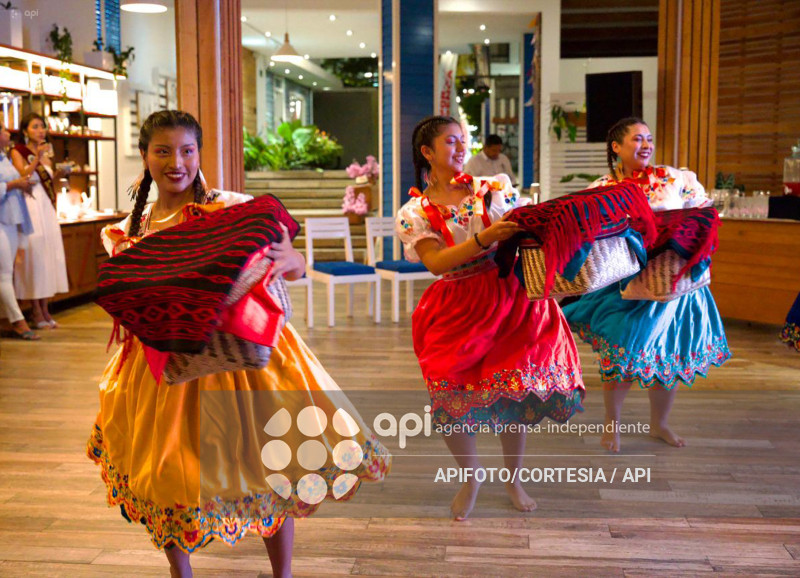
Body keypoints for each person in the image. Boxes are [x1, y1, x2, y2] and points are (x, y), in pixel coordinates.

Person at [87, 111, 390, 578]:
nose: (176, 162)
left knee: (269, 468)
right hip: (164, 370)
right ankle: (181, 572)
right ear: (145, 157)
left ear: (199, 154)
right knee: (170, 476)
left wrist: (293, 258)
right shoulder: (130, 230)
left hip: (245, 359)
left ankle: (282, 574)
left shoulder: (230, 206)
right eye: (163, 151)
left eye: (187, 150)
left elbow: (290, 262)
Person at [396, 116, 584, 520]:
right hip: (456, 305)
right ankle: (472, 474)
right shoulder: (413, 211)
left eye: (464, 141)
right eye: (450, 141)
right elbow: (435, 262)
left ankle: (513, 478)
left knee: (512, 394)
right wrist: (485, 237)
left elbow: (530, 233)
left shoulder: (494, 189)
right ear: (428, 152)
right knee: (448, 399)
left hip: (509, 298)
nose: (461, 148)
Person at [562, 117, 731, 453]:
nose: (646, 145)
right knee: (621, 354)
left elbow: (704, 215)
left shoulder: (675, 177)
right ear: (617, 147)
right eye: (637, 139)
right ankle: (613, 424)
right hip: (626, 282)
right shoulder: (602, 188)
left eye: (649, 139)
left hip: (673, 281)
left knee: (667, 356)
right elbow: (588, 234)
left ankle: (660, 423)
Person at [10, 112, 68, 329]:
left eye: (42, 127)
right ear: (25, 131)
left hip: (46, 206)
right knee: (33, 256)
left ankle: (45, 308)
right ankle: (34, 310)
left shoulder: (46, 153)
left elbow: (47, 180)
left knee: (47, 255)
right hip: (30, 205)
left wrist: (59, 171)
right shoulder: (19, 152)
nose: (40, 130)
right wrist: (36, 158)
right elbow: (23, 175)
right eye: (35, 127)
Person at [0, 122, 37, 340]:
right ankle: (18, 320)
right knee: (3, 273)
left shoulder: (4, 158)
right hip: (2, 220)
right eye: (3, 130)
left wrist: (23, 185)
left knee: (7, 272)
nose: (7, 133)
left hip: (11, 218)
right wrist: (15, 184)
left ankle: (9, 318)